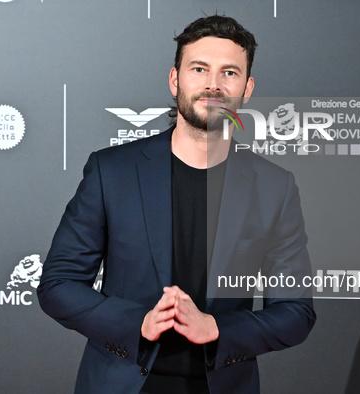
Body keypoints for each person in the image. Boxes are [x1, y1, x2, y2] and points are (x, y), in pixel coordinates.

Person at [38, 15, 316, 394]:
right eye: (199, 68)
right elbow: (59, 283)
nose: (213, 85)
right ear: (175, 79)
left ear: (247, 89)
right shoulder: (112, 172)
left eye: (229, 73)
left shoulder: (273, 186)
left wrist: (216, 328)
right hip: (120, 383)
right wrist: (137, 323)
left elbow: (296, 312)